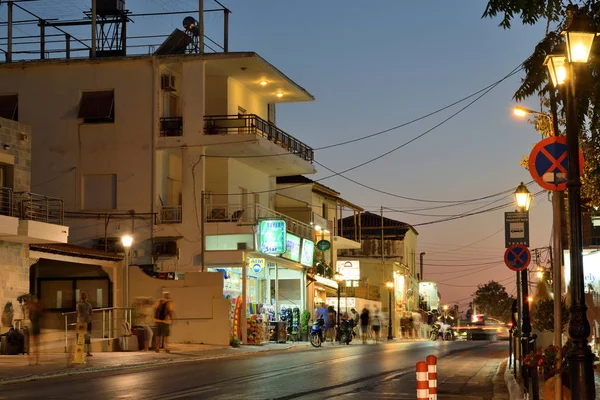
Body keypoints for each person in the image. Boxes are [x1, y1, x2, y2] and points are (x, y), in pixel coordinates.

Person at [76, 292, 93, 356]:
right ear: (86, 297)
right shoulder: (89, 304)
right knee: (87, 337)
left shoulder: (78, 304)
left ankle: (80, 351)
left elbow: (77, 313)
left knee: (80, 337)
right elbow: (91, 312)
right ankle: (87, 351)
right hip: (87, 322)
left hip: (80, 322)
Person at [28, 296, 43, 365]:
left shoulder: (31, 309)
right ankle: (36, 361)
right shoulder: (38, 309)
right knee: (36, 345)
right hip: (36, 327)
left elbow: (30, 317)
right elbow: (41, 316)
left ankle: (31, 361)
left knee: (32, 344)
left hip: (33, 326)